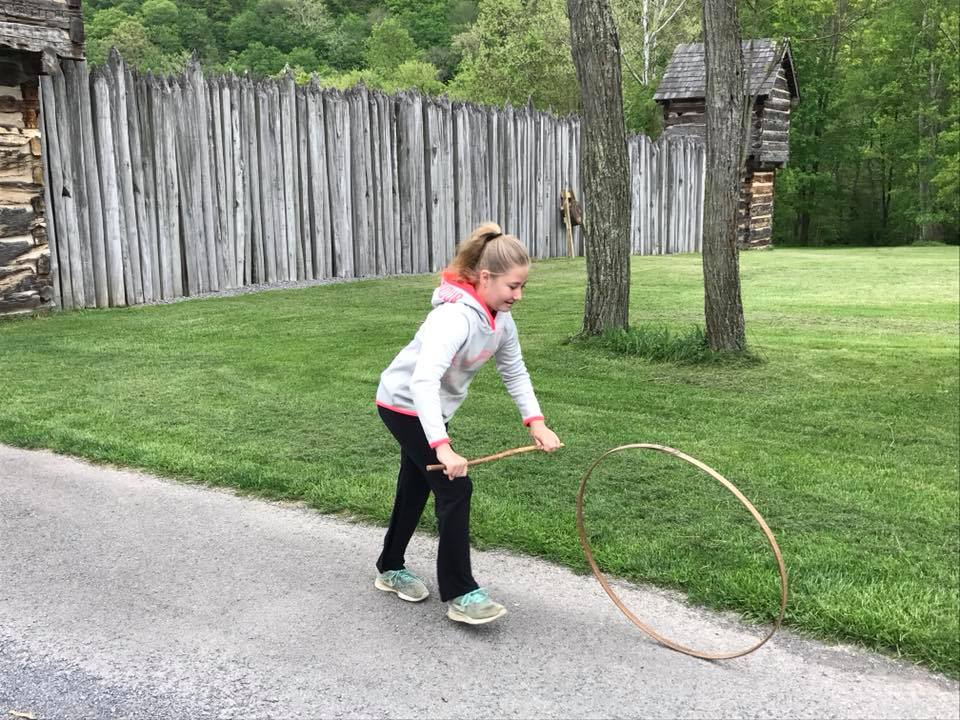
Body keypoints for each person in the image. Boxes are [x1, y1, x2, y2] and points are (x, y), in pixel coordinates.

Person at [374, 221, 562, 625]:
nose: (519, 295)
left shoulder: (500, 321)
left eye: (522, 286)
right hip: (402, 403)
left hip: (429, 410)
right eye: (513, 286)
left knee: (415, 486)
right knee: (455, 488)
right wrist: (442, 445)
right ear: (485, 277)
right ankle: (461, 592)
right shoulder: (454, 318)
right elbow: (422, 381)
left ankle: (390, 567)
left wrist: (536, 422)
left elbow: (515, 372)